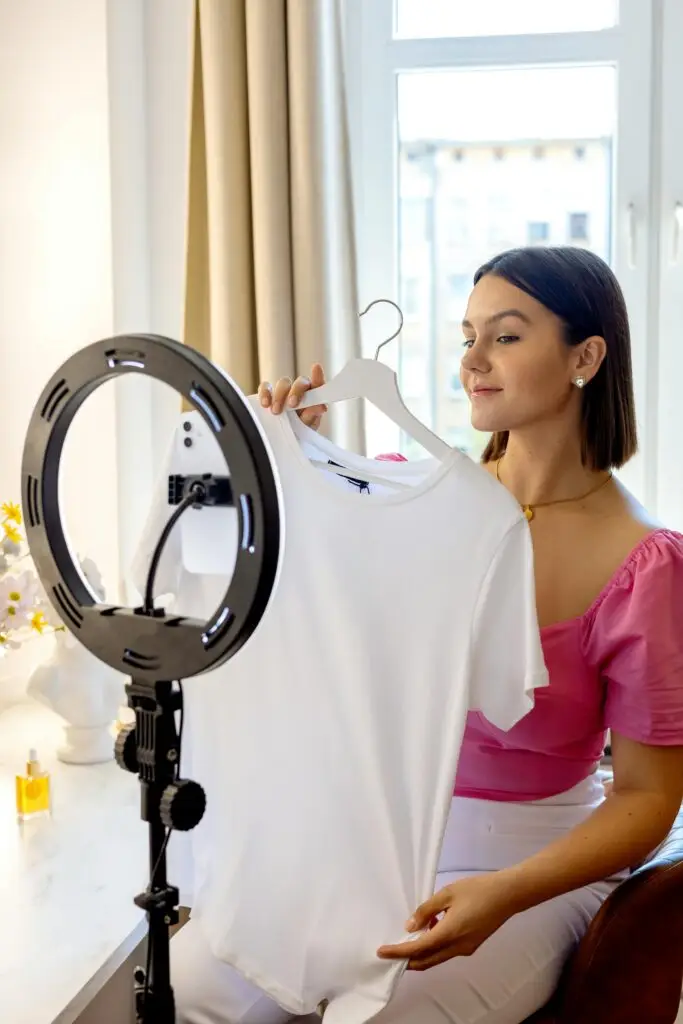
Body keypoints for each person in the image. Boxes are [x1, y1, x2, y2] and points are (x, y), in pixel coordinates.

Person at [172, 247, 683, 1024]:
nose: (472, 361)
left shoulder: (643, 564)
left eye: (505, 337)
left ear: (585, 355)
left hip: (532, 862)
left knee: (384, 1017)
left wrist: (506, 893)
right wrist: (284, 457)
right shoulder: (410, 504)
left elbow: (649, 797)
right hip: (379, 834)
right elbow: (283, 600)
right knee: (198, 981)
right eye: (466, 335)